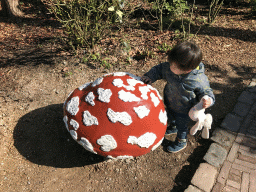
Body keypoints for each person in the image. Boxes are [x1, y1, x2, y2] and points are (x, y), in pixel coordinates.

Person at [141, 41, 215, 153]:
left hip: (185, 109)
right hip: (170, 101)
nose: (171, 67)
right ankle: (173, 127)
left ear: (189, 69)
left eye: (174, 66)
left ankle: (181, 141)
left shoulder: (198, 79)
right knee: (170, 116)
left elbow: (207, 92)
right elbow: (159, 70)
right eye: (171, 63)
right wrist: (149, 77)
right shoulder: (169, 68)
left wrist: (207, 100)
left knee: (182, 126)